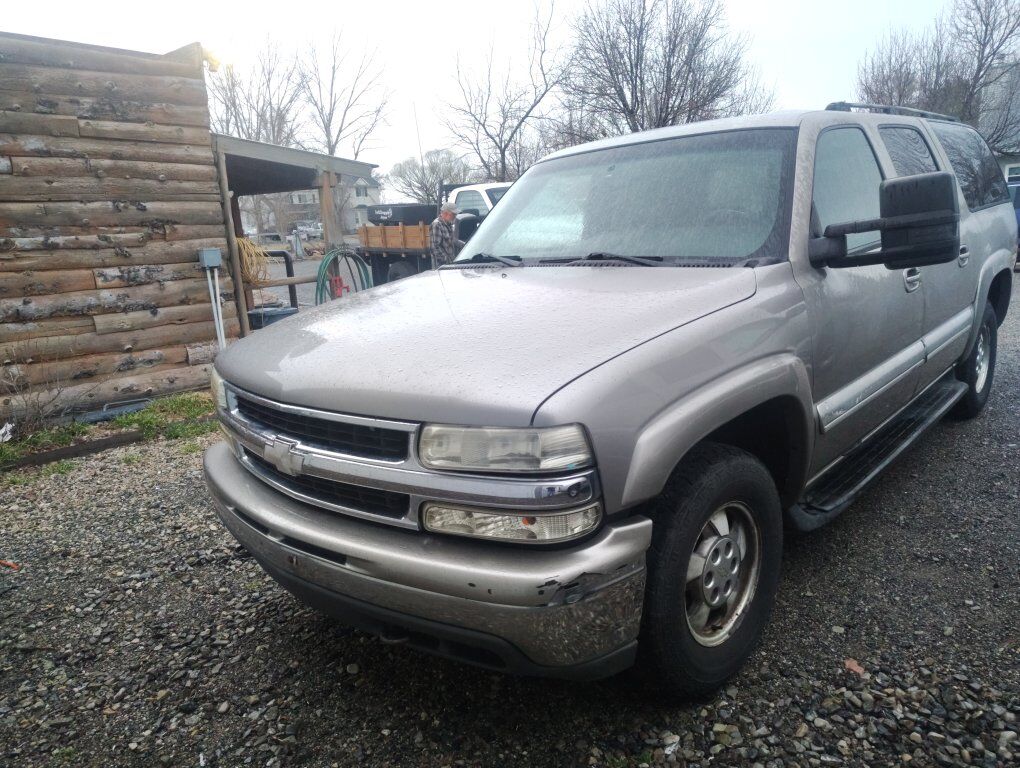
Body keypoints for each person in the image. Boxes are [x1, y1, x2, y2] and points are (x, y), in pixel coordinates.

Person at [430, 202, 464, 267]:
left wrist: (466, 246)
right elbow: (435, 247)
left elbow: (453, 240)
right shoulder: (436, 225)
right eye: (453, 214)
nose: (455, 216)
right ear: (445, 213)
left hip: (449, 264)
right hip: (441, 266)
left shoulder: (449, 224)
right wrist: (446, 260)